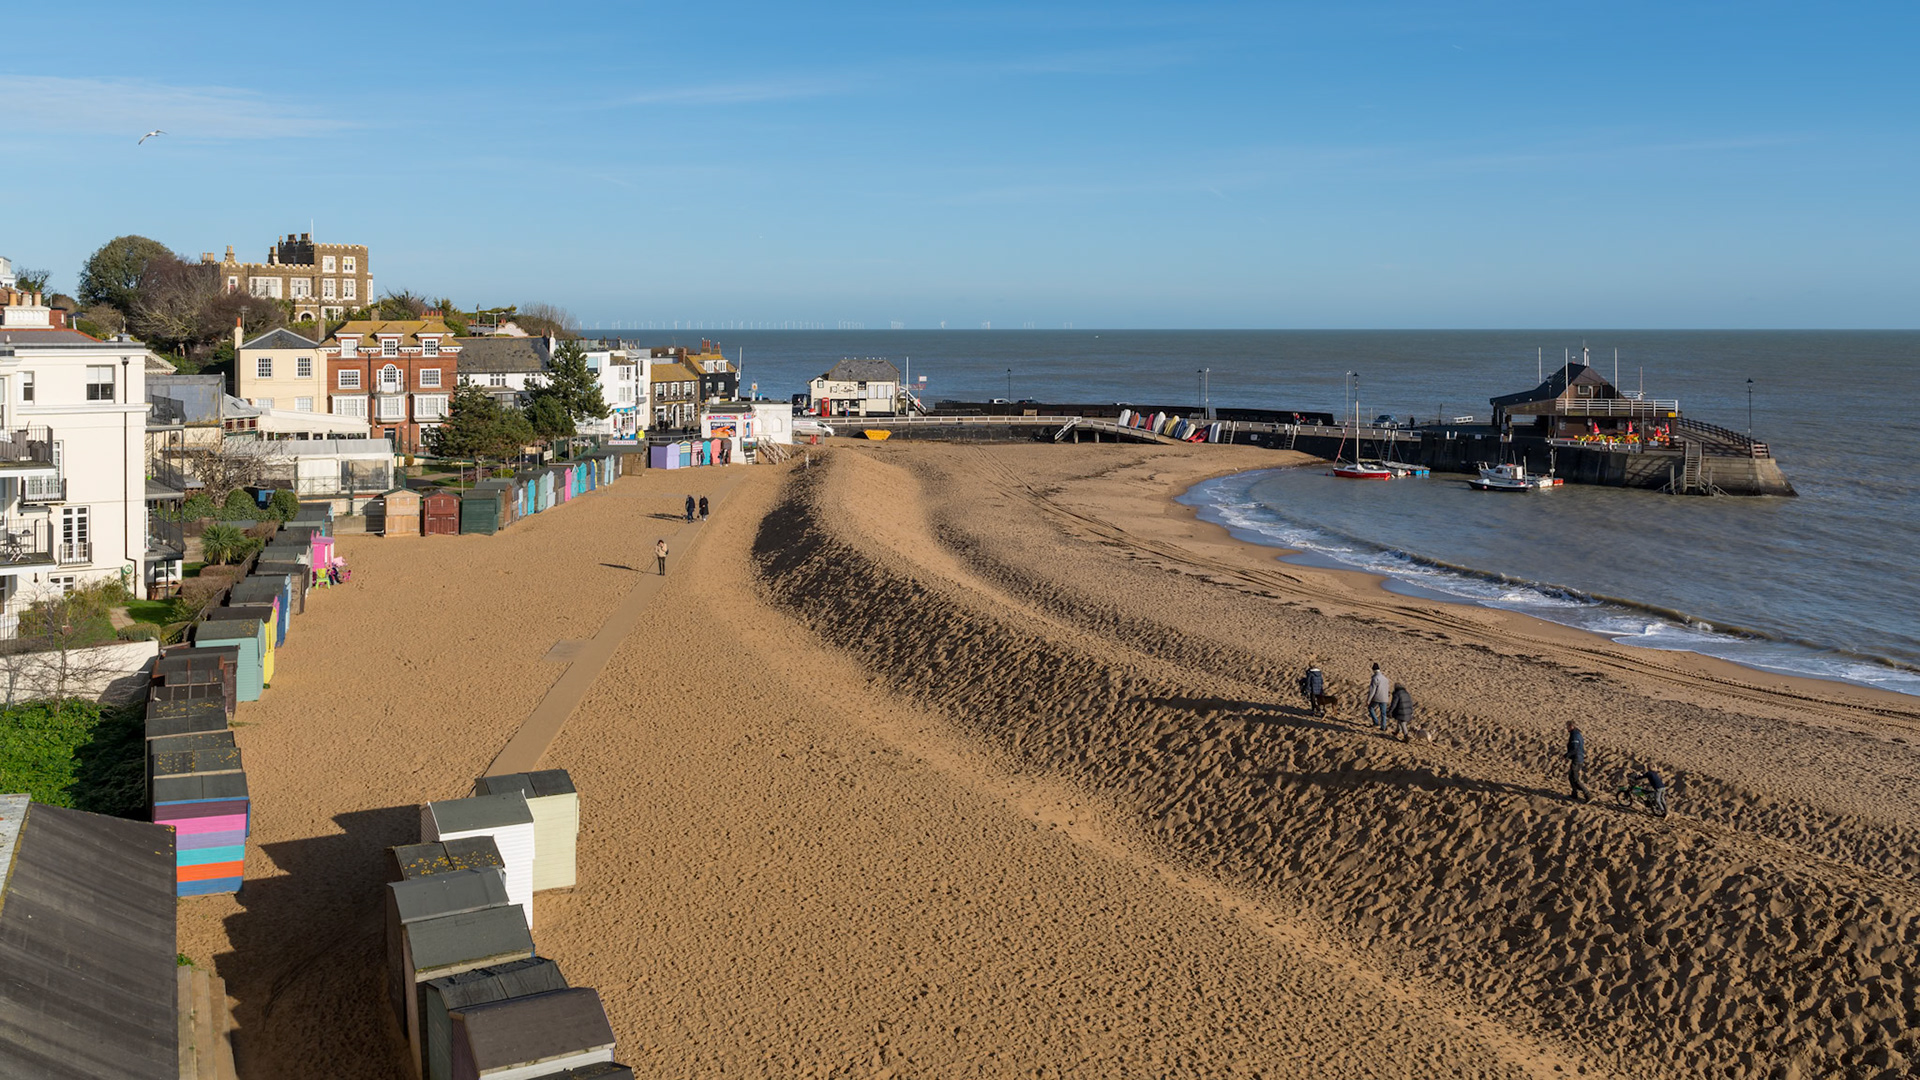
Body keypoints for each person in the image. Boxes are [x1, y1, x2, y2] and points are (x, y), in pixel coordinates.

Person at [1566, 720, 1590, 801]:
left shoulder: (1574, 735)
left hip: (1577, 758)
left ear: (1571, 726)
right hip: (1578, 758)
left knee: (1575, 778)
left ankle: (1588, 794)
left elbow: (1575, 748)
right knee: (1571, 776)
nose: (1566, 728)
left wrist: (1567, 755)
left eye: (1567, 726)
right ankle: (1574, 793)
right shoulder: (1576, 734)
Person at [1367, 663, 1391, 731]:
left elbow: (1372, 690)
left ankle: (1376, 722)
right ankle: (1383, 726)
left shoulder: (1375, 678)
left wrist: (1369, 699)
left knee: (1370, 708)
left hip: (1377, 697)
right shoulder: (1385, 678)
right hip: (1385, 698)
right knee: (1383, 713)